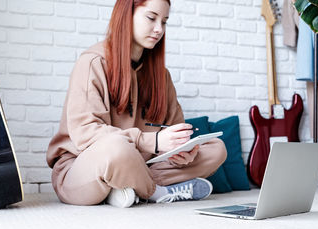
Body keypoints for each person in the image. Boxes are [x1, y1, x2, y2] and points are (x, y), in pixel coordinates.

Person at [46, 0, 227, 208]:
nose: (159, 29)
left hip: (141, 164)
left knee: (216, 148)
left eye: (164, 22)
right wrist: (153, 142)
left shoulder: (162, 77)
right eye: (151, 18)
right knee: (116, 148)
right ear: (126, 15)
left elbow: (173, 131)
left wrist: (182, 151)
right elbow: (86, 133)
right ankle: (156, 192)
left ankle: (125, 187)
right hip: (83, 168)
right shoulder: (93, 62)